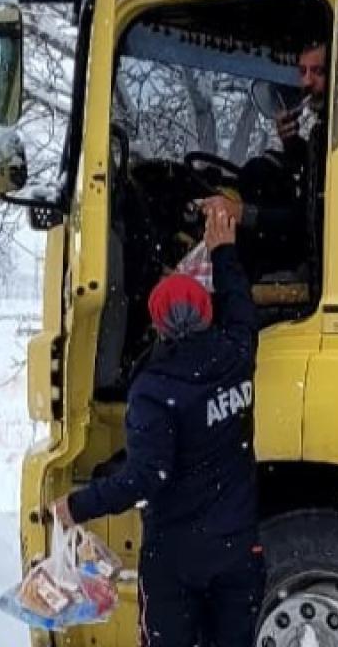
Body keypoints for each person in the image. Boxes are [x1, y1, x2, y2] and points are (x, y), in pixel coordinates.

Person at [53, 206, 264, 647]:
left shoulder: (153, 389)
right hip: (238, 550)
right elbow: (240, 304)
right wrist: (223, 251)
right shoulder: (237, 354)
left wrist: (78, 506)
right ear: (208, 312)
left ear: (158, 326)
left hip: (177, 560)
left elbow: (147, 476)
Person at [203, 41, 329, 279]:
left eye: (318, 72)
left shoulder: (335, 136)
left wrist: (242, 214)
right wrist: (292, 145)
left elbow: (308, 218)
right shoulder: (320, 135)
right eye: (302, 72)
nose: (307, 82)